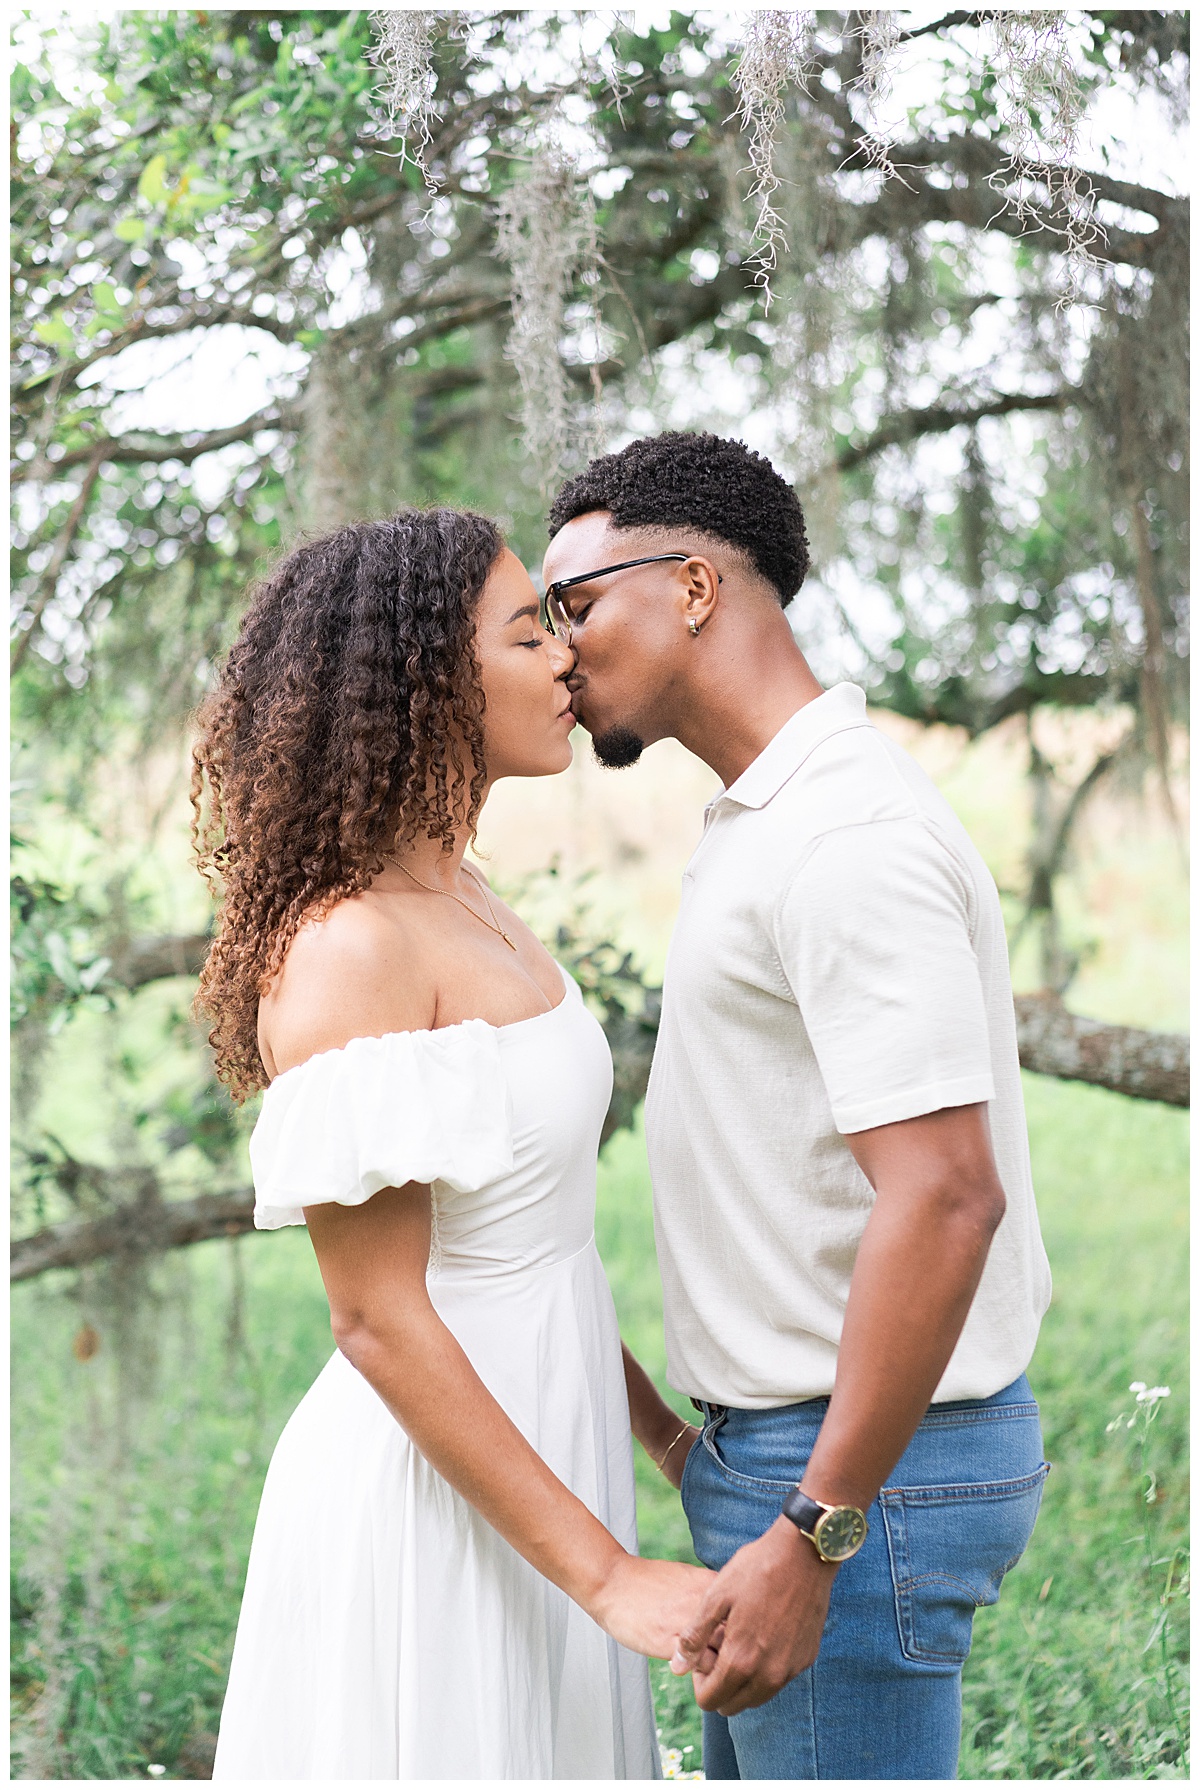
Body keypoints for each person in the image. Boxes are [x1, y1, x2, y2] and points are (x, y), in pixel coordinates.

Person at [542, 432, 1054, 1781]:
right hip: (794, 1457)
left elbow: (948, 1193)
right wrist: (691, 1448)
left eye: (576, 606)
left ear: (697, 586)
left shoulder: (845, 834)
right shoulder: (769, 817)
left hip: (861, 1475)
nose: (556, 652)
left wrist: (817, 1523)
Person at [193, 509, 712, 1780]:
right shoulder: (352, 944)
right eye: (529, 631)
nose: (566, 662)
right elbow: (378, 1317)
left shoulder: (469, 895)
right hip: (429, 1502)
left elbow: (534, 1242)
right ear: (425, 677)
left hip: (551, 1453)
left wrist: (661, 1438)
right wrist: (607, 1576)